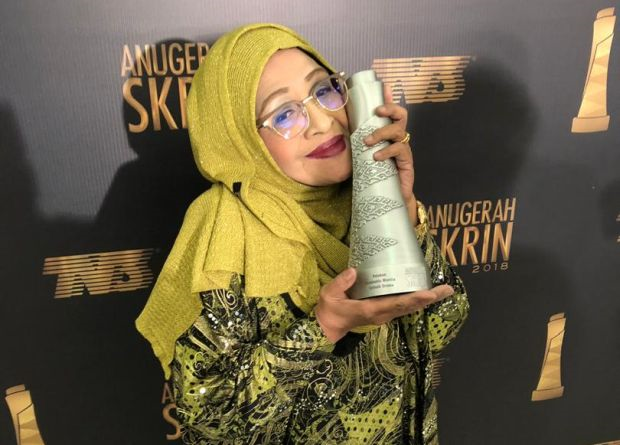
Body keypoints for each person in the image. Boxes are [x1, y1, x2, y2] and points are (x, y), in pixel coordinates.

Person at [135, 23, 469, 444]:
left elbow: (441, 328)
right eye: (284, 114)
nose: (322, 122)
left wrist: (403, 213)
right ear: (241, 138)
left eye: (323, 91)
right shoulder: (222, 232)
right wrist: (325, 326)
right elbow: (211, 421)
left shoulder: (369, 190)